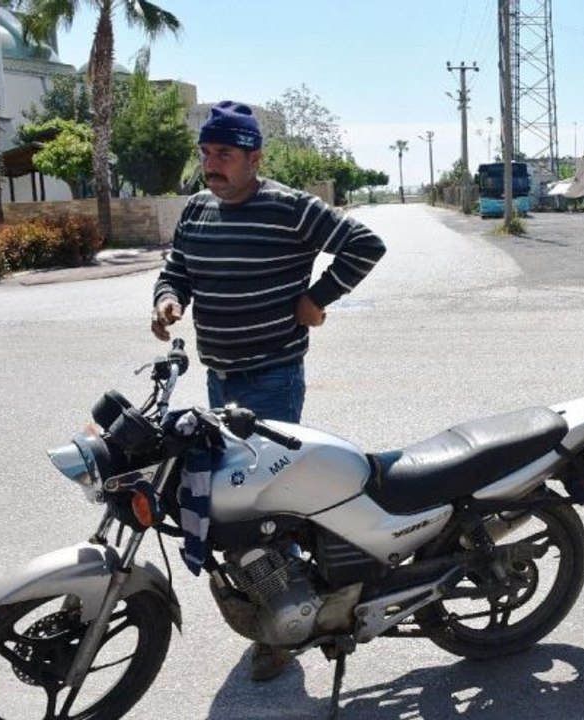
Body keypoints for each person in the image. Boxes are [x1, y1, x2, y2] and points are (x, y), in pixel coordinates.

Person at [150, 100, 386, 682]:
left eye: (225, 154)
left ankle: (285, 630)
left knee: (268, 506)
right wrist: (168, 299)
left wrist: (316, 299)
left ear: (254, 158)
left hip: (273, 374)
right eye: (206, 153)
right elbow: (177, 268)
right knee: (237, 499)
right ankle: (273, 604)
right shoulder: (197, 208)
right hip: (220, 376)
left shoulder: (290, 207)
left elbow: (364, 244)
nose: (212, 164)